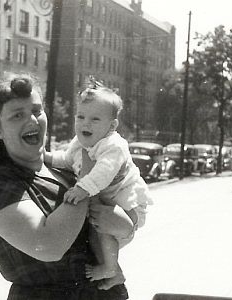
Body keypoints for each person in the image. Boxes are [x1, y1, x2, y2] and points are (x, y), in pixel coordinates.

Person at [0, 72, 134, 299]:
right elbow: (49, 245)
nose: (32, 120)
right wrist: (88, 184)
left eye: (36, 111)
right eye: (17, 115)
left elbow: (124, 229)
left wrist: (124, 225)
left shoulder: (69, 168)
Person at [44, 77, 153, 282]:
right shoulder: (80, 143)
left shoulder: (113, 145)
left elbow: (104, 171)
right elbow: (66, 160)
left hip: (128, 205)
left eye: (95, 119)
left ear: (111, 126)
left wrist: (82, 188)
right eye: (81, 116)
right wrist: (46, 157)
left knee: (102, 230)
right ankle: (115, 271)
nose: (86, 123)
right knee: (96, 233)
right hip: (109, 203)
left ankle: (110, 268)